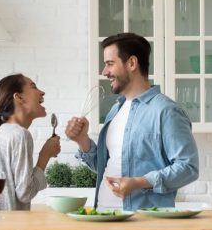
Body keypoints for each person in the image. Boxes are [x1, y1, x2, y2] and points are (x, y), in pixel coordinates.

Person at [65, 33, 199, 211]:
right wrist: (82, 140)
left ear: (132, 63)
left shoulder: (166, 111)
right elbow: (106, 167)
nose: (105, 72)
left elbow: (188, 167)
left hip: (142, 222)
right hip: (104, 214)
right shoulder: (116, 110)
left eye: (110, 64)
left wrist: (139, 182)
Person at [0, 73, 61, 211]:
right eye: (33, 87)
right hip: (5, 227)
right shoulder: (19, 135)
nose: (42, 92)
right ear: (19, 97)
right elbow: (25, 193)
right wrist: (45, 156)